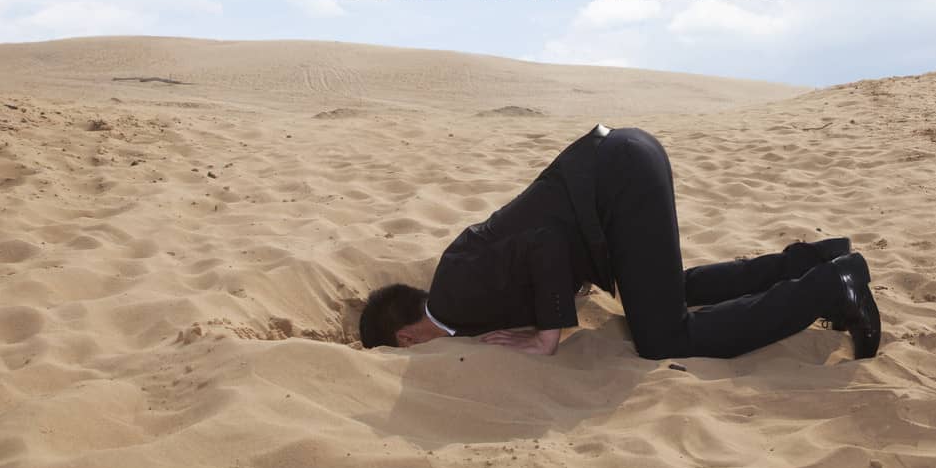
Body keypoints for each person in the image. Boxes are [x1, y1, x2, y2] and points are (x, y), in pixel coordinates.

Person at [360, 124, 880, 360]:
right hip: (618, 167)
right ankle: (818, 260)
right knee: (659, 295)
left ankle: (833, 286)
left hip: (615, 181)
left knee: (663, 338)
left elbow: (543, 243)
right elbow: (532, 246)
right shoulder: (458, 295)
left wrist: (548, 332)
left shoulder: (454, 292)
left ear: (406, 340)